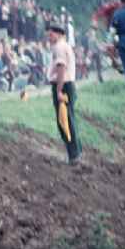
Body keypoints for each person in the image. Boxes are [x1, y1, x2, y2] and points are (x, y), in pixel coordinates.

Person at [47, 23, 82, 166]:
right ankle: (75, 152)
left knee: (64, 121)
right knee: (67, 120)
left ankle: (74, 155)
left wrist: (59, 90)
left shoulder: (60, 47)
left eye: (51, 34)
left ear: (59, 34)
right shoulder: (64, 46)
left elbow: (61, 68)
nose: (49, 37)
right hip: (67, 85)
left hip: (64, 85)